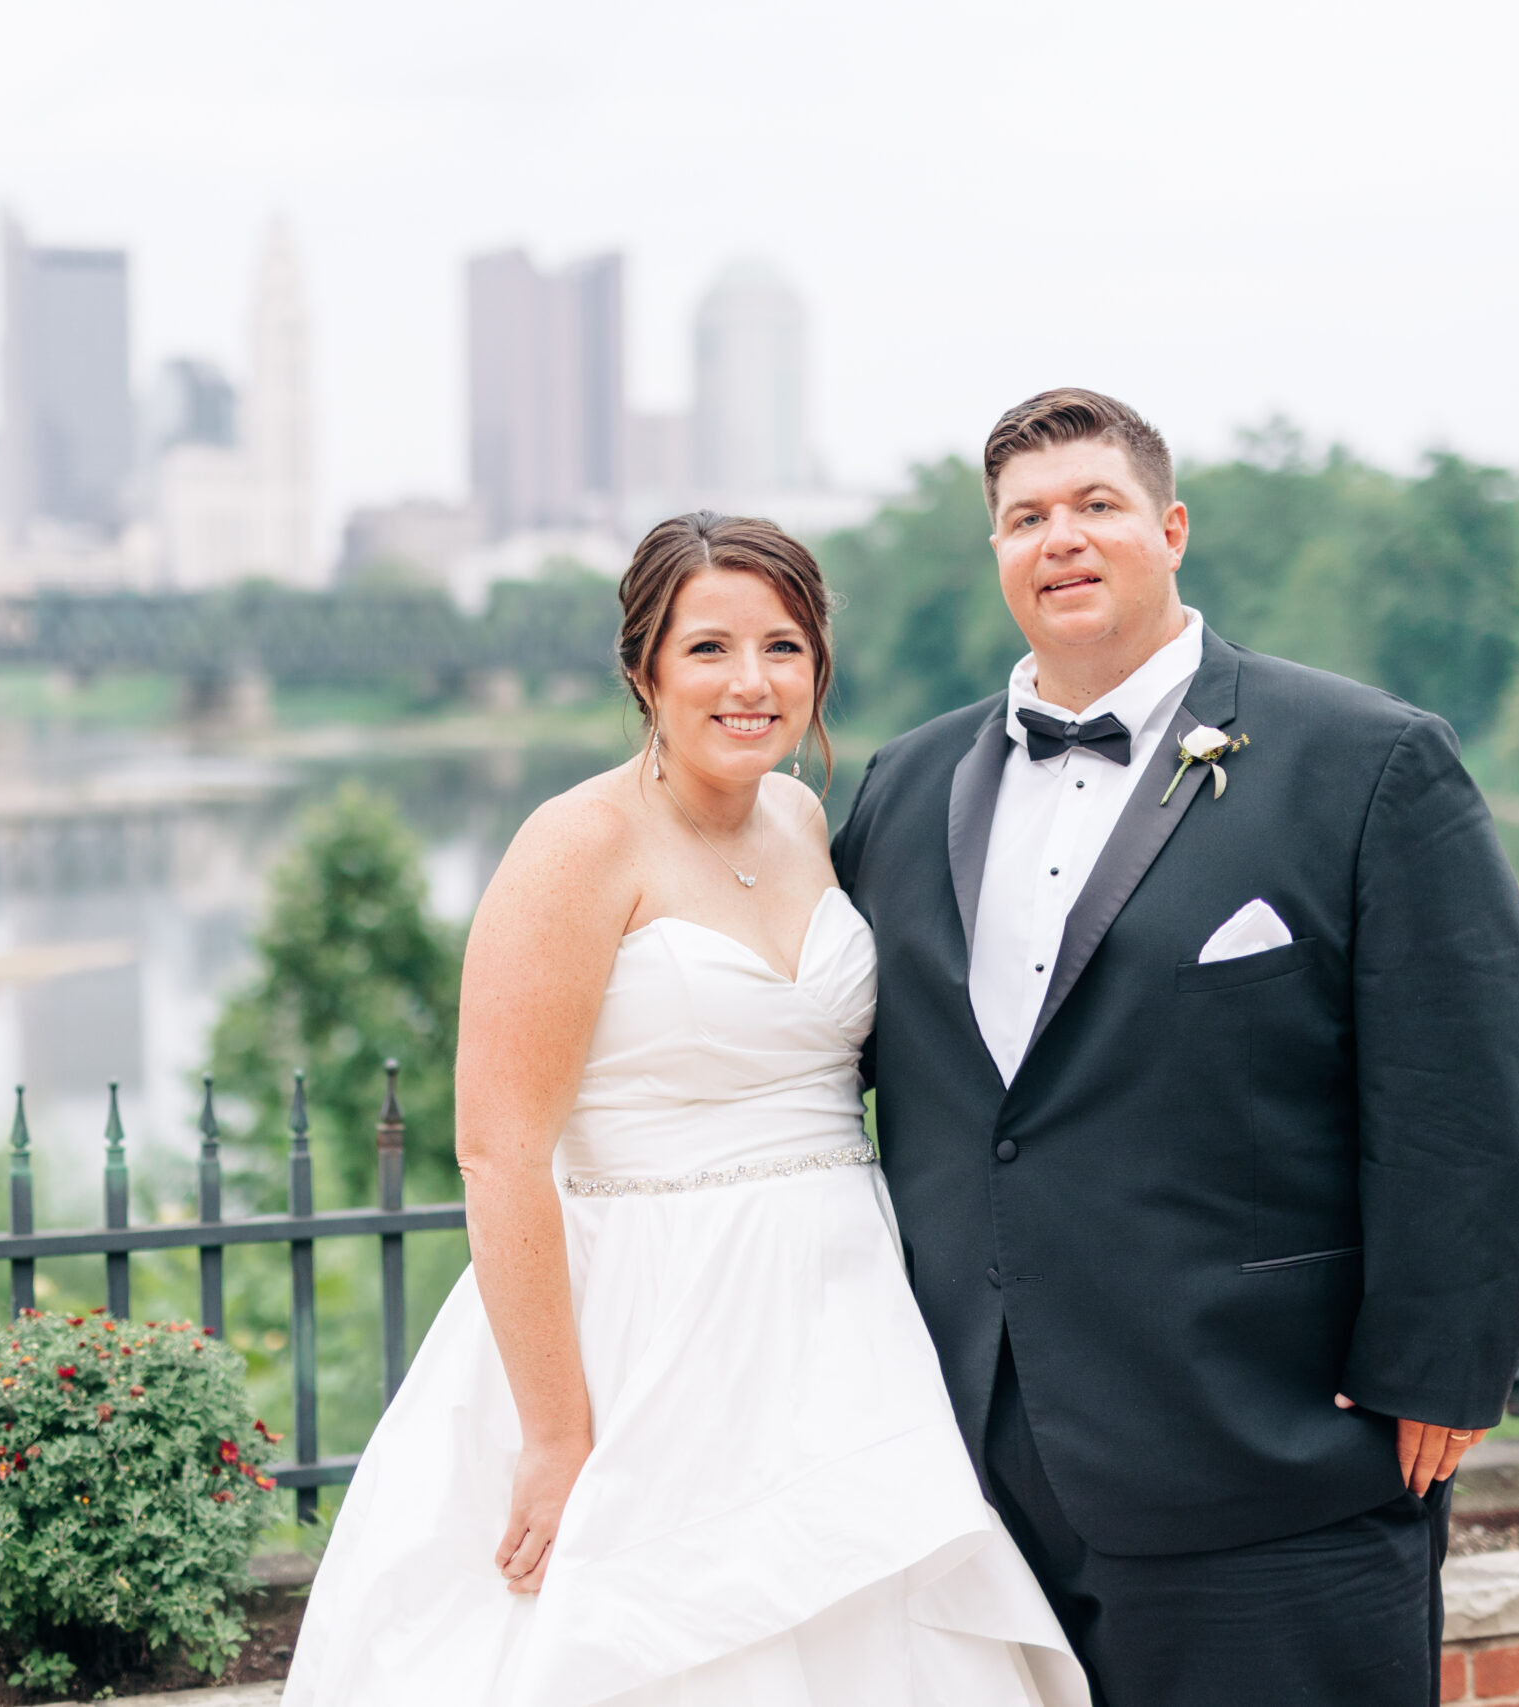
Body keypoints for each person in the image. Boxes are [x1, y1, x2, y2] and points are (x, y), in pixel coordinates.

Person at [284, 512, 1085, 1707]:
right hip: (650, 1317)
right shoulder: (579, 843)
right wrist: (558, 1438)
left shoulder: (806, 822)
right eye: (707, 648)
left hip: (843, 1320)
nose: (750, 683)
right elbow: (499, 1151)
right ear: (642, 668)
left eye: (783, 647)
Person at [830, 387, 1519, 1707]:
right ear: (994, 553)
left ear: (1168, 528)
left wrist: (1443, 1362)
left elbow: (1459, 1087)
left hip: (1266, 1446)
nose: (1062, 536)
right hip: (965, 1462)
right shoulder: (899, 788)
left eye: (1097, 504)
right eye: (1025, 516)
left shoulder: (1369, 760)